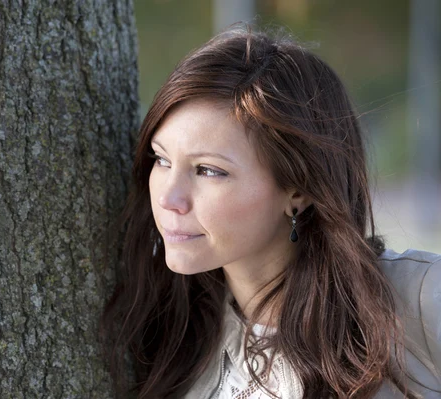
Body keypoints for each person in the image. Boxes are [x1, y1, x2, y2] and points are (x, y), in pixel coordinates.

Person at [101, 26, 441, 399]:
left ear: (298, 192)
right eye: (162, 159)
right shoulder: (169, 332)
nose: (169, 198)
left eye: (209, 170)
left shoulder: (417, 301)